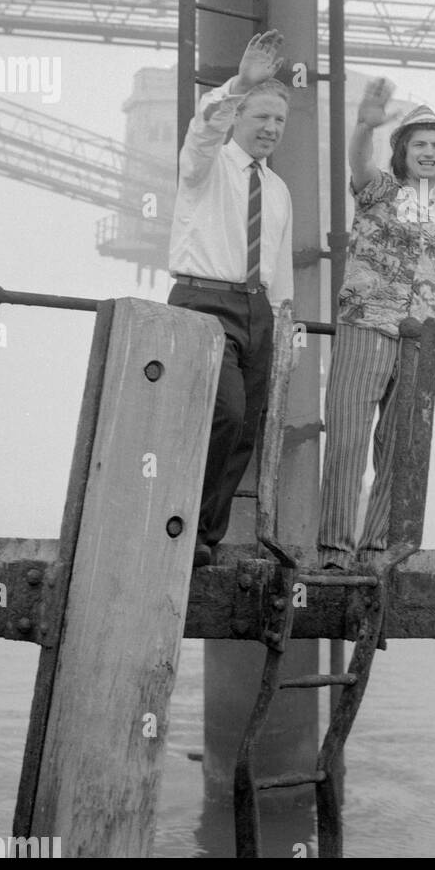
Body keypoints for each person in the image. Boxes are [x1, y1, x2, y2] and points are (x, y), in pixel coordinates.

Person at [317, 78, 435, 570]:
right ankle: (335, 551)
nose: (428, 153)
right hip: (366, 325)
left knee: (401, 449)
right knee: (348, 439)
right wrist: (364, 124)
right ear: (402, 150)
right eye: (419, 144)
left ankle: (377, 548)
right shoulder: (379, 190)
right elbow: (357, 162)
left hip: (422, 341)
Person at [167, 30, 293, 568]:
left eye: (279, 121)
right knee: (224, 411)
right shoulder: (207, 164)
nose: (270, 128)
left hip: (257, 309)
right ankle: (182, 525)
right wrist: (239, 83)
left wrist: (284, 326)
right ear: (239, 116)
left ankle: (206, 538)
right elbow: (203, 130)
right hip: (204, 300)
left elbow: (278, 266)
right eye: (261, 116)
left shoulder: (279, 189)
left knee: (249, 422)